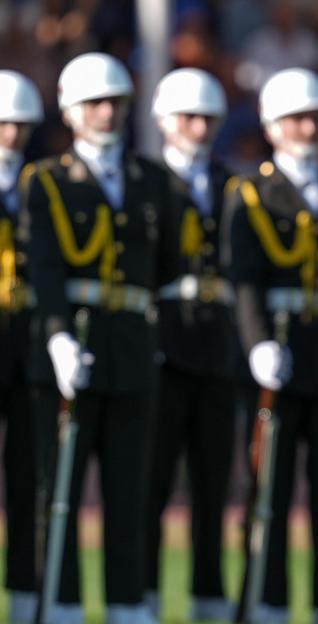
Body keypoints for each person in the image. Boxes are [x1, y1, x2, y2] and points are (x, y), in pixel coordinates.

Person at [24, 52, 181, 623]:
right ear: (70, 112)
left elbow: (167, 262)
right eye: (94, 103)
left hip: (132, 350)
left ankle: (126, 604)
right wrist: (59, 337)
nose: (107, 112)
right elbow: (43, 268)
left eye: (115, 102)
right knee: (58, 492)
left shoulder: (151, 181)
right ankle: (60, 604)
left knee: (129, 490)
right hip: (74, 347)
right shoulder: (45, 182)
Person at [224, 67, 318, 623]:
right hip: (276, 356)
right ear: (271, 127)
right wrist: (257, 343)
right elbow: (242, 279)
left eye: (313, 117)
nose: (305, 127)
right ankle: (265, 605)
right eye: (293, 118)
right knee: (269, 494)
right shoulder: (251, 193)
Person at [143, 68, 237, 622]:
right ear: (164, 122)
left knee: (212, 482)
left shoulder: (232, 185)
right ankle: (146, 596)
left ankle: (208, 597)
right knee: (151, 482)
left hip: (217, 348)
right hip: (163, 344)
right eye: (186, 117)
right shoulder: (147, 181)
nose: (197, 127)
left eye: (205, 118)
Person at [0, 69, 46, 624]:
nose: (10, 133)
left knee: (30, 475)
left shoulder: (43, 186)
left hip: (30, 339)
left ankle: (27, 595)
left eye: (19, 124)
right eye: (2, 122)